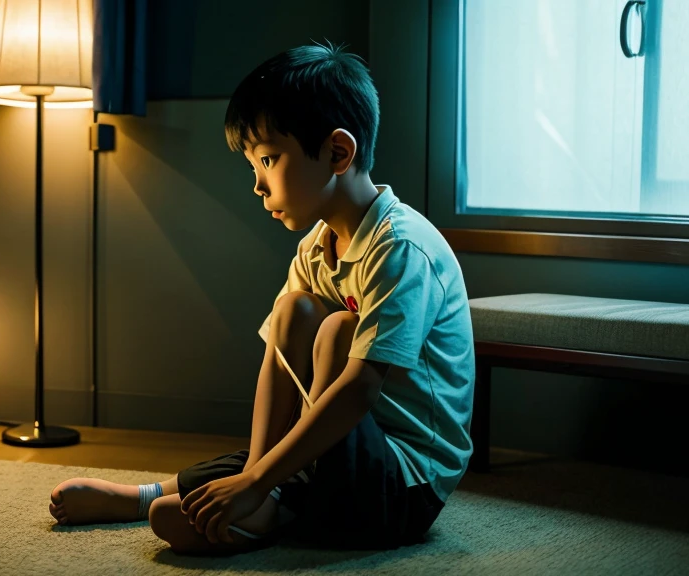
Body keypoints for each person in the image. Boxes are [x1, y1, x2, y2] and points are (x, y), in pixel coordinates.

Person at [48, 41, 475, 555]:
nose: (257, 185)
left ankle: (266, 502)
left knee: (338, 331)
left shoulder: (401, 248)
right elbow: (281, 364)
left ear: (338, 153)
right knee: (291, 314)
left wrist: (253, 484)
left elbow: (358, 392)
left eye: (268, 160)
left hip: (402, 486)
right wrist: (256, 471)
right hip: (335, 454)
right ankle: (160, 496)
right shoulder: (316, 248)